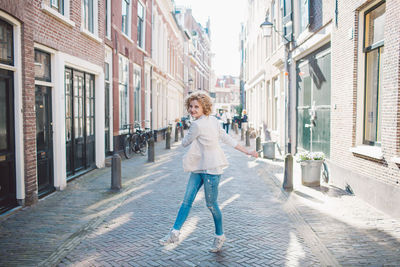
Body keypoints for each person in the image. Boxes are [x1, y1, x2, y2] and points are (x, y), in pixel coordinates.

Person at [160, 92, 258, 252]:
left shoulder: (196, 125)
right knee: (187, 201)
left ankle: (220, 236)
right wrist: (246, 151)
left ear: (204, 107)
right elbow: (228, 139)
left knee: (211, 205)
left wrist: (187, 133)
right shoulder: (213, 120)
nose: (192, 109)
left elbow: (185, 143)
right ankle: (174, 232)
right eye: (190, 106)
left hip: (211, 169)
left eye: (196, 107)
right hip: (199, 167)